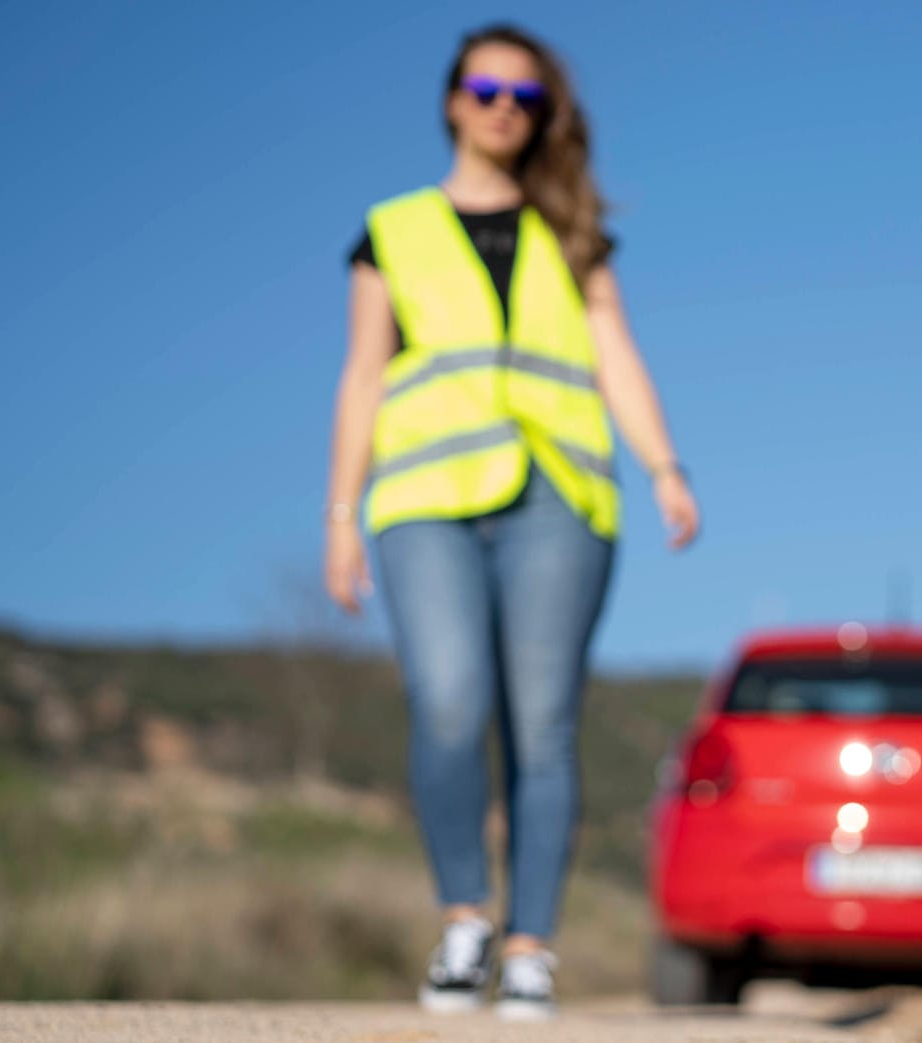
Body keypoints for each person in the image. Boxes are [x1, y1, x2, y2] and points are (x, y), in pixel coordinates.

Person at [321, 23, 699, 1020]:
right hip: (421, 499)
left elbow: (614, 348)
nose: (502, 106)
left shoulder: (569, 229)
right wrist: (339, 515)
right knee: (447, 701)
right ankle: (463, 917)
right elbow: (363, 375)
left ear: (543, 116)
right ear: (452, 99)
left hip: (557, 498)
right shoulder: (391, 230)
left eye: (524, 95)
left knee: (544, 723)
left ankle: (531, 943)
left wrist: (664, 466)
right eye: (485, 87)